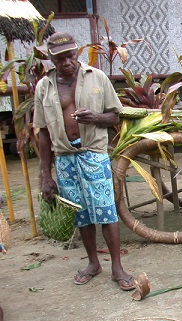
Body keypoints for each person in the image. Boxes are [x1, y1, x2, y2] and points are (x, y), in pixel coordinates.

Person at [33, 32, 135, 290]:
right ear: (51, 58)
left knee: (106, 211)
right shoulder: (44, 87)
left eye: (70, 55)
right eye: (59, 58)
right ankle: (93, 263)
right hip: (65, 159)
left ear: (77, 52)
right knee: (81, 214)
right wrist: (46, 175)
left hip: (94, 154)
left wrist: (95, 118)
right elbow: (42, 132)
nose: (66, 62)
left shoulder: (97, 78)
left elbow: (115, 117)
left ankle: (117, 267)